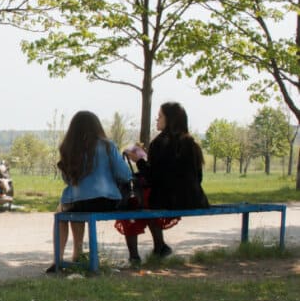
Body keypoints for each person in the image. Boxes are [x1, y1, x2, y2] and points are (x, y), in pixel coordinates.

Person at [118, 102, 209, 265]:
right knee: (145, 199)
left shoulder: (159, 143)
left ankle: (135, 255)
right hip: (194, 199)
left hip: (168, 200)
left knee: (132, 203)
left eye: (160, 116)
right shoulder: (192, 144)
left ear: (170, 120)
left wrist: (139, 161)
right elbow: (198, 177)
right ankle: (159, 246)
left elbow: (153, 178)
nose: (156, 119)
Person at [47, 110, 132, 273]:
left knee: (63, 212)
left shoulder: (68, 148)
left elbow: (68, 180)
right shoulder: (107, 145)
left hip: (78, 202)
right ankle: (77, 255)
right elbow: (125, 175)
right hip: (107, 201)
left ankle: (59, 259)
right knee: (78, 206)